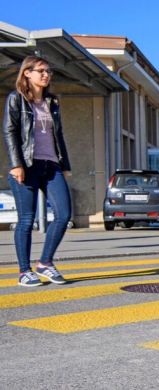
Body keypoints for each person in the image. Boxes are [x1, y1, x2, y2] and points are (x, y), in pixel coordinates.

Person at [2, 55, 72, 287]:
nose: (45, 74)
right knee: (26, 219)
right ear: (26, 73)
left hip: (51, 165)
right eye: (40, 70)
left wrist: (65, 166)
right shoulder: (16, 99)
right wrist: (16, 164)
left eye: (48, 71)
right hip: (27, 165)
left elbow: (58, 135)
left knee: (63, 215)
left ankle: (45, 263)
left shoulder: (52, 102)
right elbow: (10, 132)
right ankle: (24, 271)